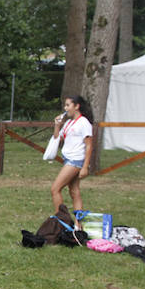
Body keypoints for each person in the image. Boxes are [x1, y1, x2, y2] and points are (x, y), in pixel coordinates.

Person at [49, 95, 94, 227]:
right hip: (67, 159)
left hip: (75, 160)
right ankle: (78, 225)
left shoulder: (84, 123)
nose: (65, 108)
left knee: (55, 189)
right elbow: (58, 138)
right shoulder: (68, 123)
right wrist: (57, 126)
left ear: (76, 106)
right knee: (74, 191)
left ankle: (61, 221)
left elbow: (89, 145)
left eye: (68, 105)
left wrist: (85, 167)